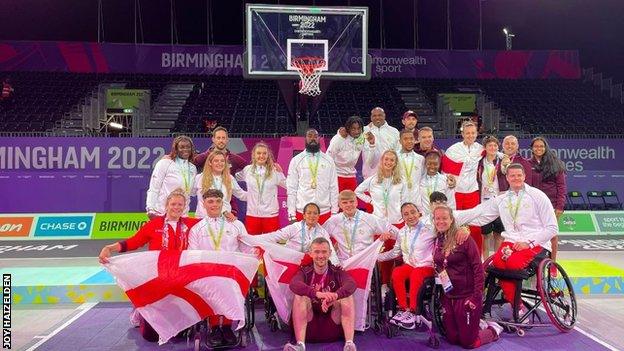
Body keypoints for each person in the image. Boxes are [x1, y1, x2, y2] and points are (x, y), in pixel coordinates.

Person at [454, 164, 558, 315]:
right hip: (511, 241)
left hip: (536, 242)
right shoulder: (502, 199)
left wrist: (528, 243)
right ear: (507, 178)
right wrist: (450, 216)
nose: (516, 178)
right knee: (497, 263)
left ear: (524, 176)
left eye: (518, 175)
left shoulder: (538, 196)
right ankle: (518, 306)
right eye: (512, 176)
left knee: (512, 263)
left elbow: (552, 228)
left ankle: (515, 306)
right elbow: (478, 213)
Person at [98, 189, 200, 342]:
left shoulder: (191, 224)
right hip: (156, 277)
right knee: (150, 337)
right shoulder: (154, 225)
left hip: (179, 278)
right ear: (166, 205)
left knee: (179, 334)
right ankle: (144, 315)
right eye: (173, 204)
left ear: (184, 207)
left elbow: (213, 224)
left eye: (180, 205)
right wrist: (110, 248)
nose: (176, 207)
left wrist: (228, 216)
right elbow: (133, 242)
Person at [378, 203, 468, 330]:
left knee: (416, 273)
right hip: (410, 265)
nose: (410, 216)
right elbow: (395, 252)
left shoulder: (429, 229)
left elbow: (447, 229)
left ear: (419, 213)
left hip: (427, 267)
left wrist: (463, 229)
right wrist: (376, 257)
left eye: (413, 212)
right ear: (402, 217)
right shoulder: (402, 232)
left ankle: (414, 312)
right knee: (397, 272)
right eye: (406, 214)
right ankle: (405, 309)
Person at [187, 189, 257, 347]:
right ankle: (214, 328)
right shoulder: (196, 229)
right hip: (207, 273)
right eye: (210, 202)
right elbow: (193, 255)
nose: (214, 205)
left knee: (229, 284)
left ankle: (226, 327)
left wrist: (256, 251)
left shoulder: (236, 225)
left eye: (218, 201)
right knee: (213, 285)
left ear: (223, 203)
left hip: (231, 272)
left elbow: (247, 249)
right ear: (203, 204)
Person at [432, 205, 502, 349]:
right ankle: (476, 325)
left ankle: (493, 329)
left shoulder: (463, 238)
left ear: (452, 220)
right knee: (451, 338)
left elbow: (478, 269)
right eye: (437, 218)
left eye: (444, 218)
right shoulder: (438, 239)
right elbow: (440, 266)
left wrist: (476, 297)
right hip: (448, 296)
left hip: (466, 296)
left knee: (469, 343)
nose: (441, 221)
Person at [284, 237, 357, 351]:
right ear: (310, 253)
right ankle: (300, 345)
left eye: (324, 252)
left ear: (330, 253)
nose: (321, 256)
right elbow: (294, 284)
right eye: (317, 252)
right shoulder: (305, 271)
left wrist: (335, 296)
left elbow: (352, 284)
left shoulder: (337, 271)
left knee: (347, 296)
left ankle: (349, 344)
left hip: (332, 326)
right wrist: (317, 294)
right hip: (309, 327)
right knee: (300, 296)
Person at [441, 121, 484, 257]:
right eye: (467, 133)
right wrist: (449, 179)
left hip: (473, 192)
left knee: (475, 227)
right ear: (462, 134)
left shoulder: (481, 149)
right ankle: (454, 254)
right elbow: (444, 172)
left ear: (477, 134)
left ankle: (476, 255)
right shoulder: (453, 150)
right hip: (456, 193)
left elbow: (494, 155)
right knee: (454, 225)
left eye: (473, 133)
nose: (470, 135)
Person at [253, 202, 339, 263]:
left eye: (315, 213)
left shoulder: (322, 232)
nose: (312, 216)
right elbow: (274, 236)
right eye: (309, 213)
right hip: (291, 262)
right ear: (304, 215)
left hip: (310, 265)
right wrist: (252, 239)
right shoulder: (295, 227)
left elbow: (330, 250)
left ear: (318, 216)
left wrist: (337, 266)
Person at [287, 128, 339, 224]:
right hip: (302, 211)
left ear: (319, 139)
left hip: (324, 212)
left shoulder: (329, 160)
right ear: (305, 139)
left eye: (315, 136)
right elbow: (291, 189)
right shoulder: (296, 160)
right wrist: (291, 214)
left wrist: (335, 212)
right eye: (310, 136)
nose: (313, 139)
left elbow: (334, 187)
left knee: (324, 239)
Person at [236, 142, 286, 234]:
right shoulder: (247, 170)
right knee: (254, 245)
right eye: (258, 153)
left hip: (271, 215)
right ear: (254, 155)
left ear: (268, 155)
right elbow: (235, 178)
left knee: (271, 245)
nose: (261, 156)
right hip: (252, 214)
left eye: (264, 153)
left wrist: (281, 173)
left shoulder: (274, 171)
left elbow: (288, 186)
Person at [529, 136, 566, 262]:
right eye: (536, 146)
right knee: (535, 234)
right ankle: (535, 262)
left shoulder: (556, 164)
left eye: (541, 146)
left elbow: (561, 187)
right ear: (532, 149)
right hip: (534, 206)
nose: (539, 148)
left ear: (546, 148)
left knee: (553, 235)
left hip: (552, 205)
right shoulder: (528, 165)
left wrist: (560, 206)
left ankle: (553, 264)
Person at [145, 135, 197, 218]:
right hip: (163, 213)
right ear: (175, 149)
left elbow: (192, 192)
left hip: (182, 215)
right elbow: (154, 188)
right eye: (182, 147)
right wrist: (150, 209)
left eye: (188, 147)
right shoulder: (164, 163)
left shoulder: (192, 168)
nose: (185, 150)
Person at [355, 150, 408, 227]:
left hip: (397, 221)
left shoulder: (401, 181)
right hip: (378, 222)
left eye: (392, 160)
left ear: (395, 163)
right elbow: (357, 191)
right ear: (382, 161)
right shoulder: (372, 180)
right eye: (386, 159)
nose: (388, 162)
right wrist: (370, 200)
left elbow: (405, 200)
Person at [326, 116, 378, 192]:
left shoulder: (363, 137)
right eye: (353, 128)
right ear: (348, 128)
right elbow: (328, 158)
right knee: (336, 202)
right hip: (336, 175)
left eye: (359, 128)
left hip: (351, 176)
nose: (356, 131)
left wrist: (372, 144)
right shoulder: (339, 139)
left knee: (352, 203)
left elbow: (369, 161)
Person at [194, 150, 246, 220]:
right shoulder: (199, 178)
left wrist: (257, 194)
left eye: (222, 161)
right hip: (202, 219)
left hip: (224, 219)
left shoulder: (230, 178)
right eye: (216, 161)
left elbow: (242, 195)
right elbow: (191, 193)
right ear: (210, 162)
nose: (220, 163)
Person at [477, 135, 505, 257]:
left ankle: (497, 261)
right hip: (484, 202)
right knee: (485, 235)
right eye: (490, 145)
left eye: (495, 145)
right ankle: (486, 262)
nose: (493, 148)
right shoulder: (480, 162)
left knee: (498, 234)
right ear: (485, 147)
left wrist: (504, 159)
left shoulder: (503, 160)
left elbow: (506, 171)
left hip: (499, 202)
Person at [361, 107, 400, 179]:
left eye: (380, 115)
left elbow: (398, 152)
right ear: (371, 117)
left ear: (384, 116)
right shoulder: (364, 131)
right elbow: (351, 138)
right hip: (370, 176)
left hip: (390, 175)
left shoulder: (394, 131)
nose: (377, 118)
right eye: (374, 116)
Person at [420, 150, 456, 219]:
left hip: (442, 218)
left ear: (439, 164)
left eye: (435, 164)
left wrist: (451, 217)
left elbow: (451, 203)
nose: (432, 166)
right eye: (429, 163)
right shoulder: (420, 180)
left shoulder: (445, 180)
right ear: (425, 164)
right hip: (425, 219)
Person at [396, 129, 426, 204]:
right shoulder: (394, 157)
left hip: (416, 199)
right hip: (399, 199)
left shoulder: (421, 159)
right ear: (400, 141)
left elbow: (424, 179)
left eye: (411, 139)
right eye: (405, 139)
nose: (409, 141)